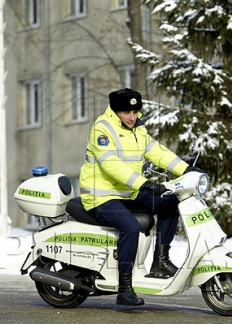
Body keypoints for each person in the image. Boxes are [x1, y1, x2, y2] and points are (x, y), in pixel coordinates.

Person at [79, 88, 203, 306]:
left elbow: (157, 152)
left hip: (127, 193)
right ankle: (124, 288)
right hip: (102, 196)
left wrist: (186, 170)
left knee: (171, 202)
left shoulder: (137, 129)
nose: (132, 116)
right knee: (131, 226)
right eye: (126, 112)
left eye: (135, 112)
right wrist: (143, 183)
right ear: (115, 110)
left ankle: (160, 261)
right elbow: (112, 166)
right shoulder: (102, 129)